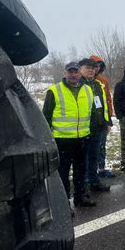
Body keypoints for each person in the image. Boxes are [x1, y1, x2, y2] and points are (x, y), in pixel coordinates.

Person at [42, 61, 96, 208]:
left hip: (82, 139)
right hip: (62, 140)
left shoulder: (87, 90)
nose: (73, 75)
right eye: (70, 72)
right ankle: (63, 203)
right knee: (62, 173)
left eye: (76, 72)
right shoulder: (54, 91)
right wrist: (47, 140)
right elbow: (45, 117)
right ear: (65, 73)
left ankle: (80, 197)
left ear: (80, 74)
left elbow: (91, 114)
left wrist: (90, 133)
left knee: (80, 171)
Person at [79, 58, 112, 192]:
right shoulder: (78, 84)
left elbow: (103, 104)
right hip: (83, 128)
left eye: (93, 68)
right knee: (82, 158)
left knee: (94, 156)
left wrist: (107, 121)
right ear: (81, 69)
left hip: (98, 127)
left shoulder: (98, 84)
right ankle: (82, 184)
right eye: (88, 68)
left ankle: (94, 181)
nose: (91, 70)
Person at [90, 54, 115, 178]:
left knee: (101, 145)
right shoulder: (82, 81)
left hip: (102, 119)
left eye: (99, 66)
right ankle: (90, 172)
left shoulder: (103, 81)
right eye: (95, 66)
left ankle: (101, 168)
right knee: (90, 149)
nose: (97, 68)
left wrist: (109, 118)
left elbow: (108, 100)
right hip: (88, 122)